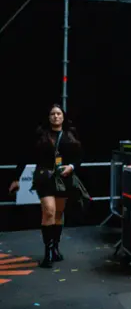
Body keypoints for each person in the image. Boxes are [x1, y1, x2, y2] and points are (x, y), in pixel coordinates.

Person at [8, 104, 82, 268]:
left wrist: (72, 167)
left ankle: (55, 247)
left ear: (63, 117)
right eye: (52, 114)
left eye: (58, 114)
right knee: (49, 210)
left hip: (64, 178)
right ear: (48, 117)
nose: (56, 116)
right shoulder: (41, 135)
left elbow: (78, 157)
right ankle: (48, 252)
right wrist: (16, 178)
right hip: (44, 177)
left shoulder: (70, 135)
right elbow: (24, 156)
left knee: (58, 213)